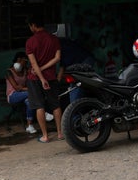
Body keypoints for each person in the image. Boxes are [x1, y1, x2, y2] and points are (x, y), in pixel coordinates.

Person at [25, 14, 63, 143]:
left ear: (34, 26)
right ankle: (60, 133)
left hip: (35, 78)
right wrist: (45, 71)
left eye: (30, 26)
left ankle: (45, 136)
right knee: (55, 105)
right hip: (51, 76)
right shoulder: (54, 39)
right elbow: (57, 58)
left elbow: (34, 64)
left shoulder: (30, 42)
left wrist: (41, 76)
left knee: (39, 106)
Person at [5, 52, 38, 134]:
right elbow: (16, 88)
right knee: (32, 93)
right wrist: (28, 89)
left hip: (24, 94)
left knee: (29, 101)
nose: (24, 63)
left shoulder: (25, 71)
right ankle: (44, 113)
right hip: (12, 96)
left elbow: (25, 85)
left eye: (25, 61)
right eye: (24, 61)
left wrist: (24, 88)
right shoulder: (9, 72)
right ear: (17, 60)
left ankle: (29, 126)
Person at [57, 36, 96, 103]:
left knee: (76, 86)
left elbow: (62, 69)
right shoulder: (62, 41)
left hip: (83, 61)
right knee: (76, 86)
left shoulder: (60, 46)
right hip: (85, 59)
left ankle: (75, 109)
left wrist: (55, 89)